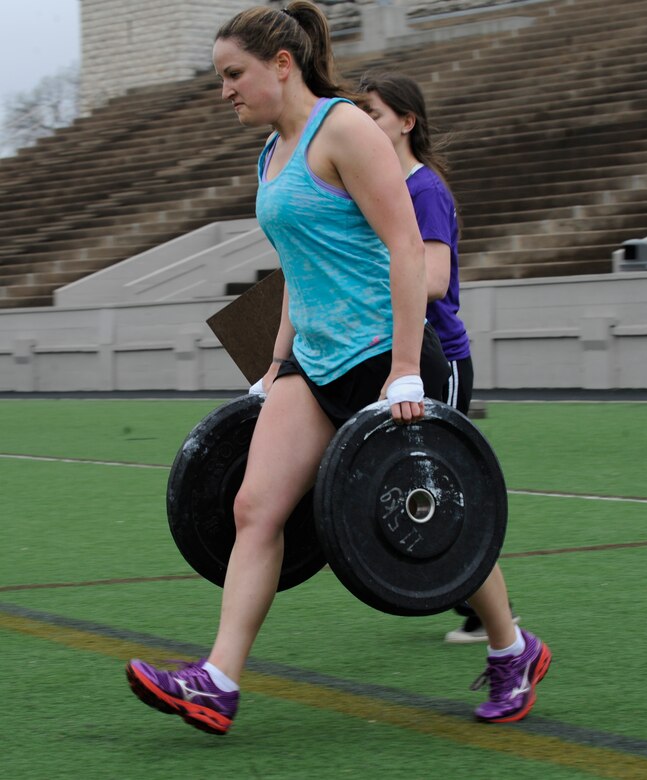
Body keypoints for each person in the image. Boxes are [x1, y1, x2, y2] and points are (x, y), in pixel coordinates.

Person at [125, 1, 551, 734]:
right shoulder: (272, 152)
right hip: (315, 361)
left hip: (390, 355)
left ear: (281, 65)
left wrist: (408, 370)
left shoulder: (345, 128)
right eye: (220, 77)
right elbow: (296, 267)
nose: (224, 89)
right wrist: (274, 363)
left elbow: (406, 248)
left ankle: (513, 649)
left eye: (234, 74)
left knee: (434, 523)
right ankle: (217, 682)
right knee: (253, 509)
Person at [358, 72, 522, 646]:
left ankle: (492, 615)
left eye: (373, 112)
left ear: (406, 122)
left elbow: (432, 277)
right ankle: (477, 599)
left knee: (434, 482)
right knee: (411, 478)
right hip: (398, 352)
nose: (364, 123)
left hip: (439, 359)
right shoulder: (374, 185)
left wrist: (368, 277)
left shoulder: (423, 188)